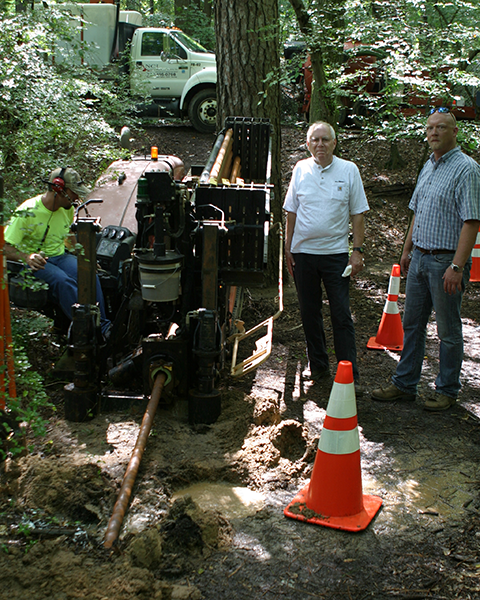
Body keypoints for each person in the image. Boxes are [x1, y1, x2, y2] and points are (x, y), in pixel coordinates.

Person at [372, 108, 480, 410]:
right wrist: (406, 250)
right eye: (430, 128)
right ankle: (405, 384)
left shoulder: (466, 169)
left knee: (447, 330)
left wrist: (457, 267)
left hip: (446, 262)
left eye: (441, 127)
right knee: (412, 325)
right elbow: (417, 212)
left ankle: (447, 390)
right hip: (419, 257)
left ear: (454, 132)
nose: (434, 133)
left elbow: (472, 222)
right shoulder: (428, 166)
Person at [283, 121, 369, 392]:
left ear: (334, 143)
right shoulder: (300, 169)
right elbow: (291, 212)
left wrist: (356, 251)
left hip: (335, 255)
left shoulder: (349, 170)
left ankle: (348, 374)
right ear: (308, 145)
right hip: (303, 255)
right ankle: (318, 367)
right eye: (315, 140)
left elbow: (358, 214)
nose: (320, 144)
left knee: (341, 314)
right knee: (310, 313)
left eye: (325, 139)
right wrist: (287, 248)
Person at [4, 166, 111, 337]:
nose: (77, 197)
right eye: (74, 192)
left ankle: (104, 326)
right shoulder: (28, 211)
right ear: (58, 189)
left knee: (89, 273)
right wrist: (27, 257)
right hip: (34, 264)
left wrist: (83, 256)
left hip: (59, 256)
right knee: (62, 281)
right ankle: (88, 328)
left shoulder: (67, 210)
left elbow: (68, 235)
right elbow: (4, 247)